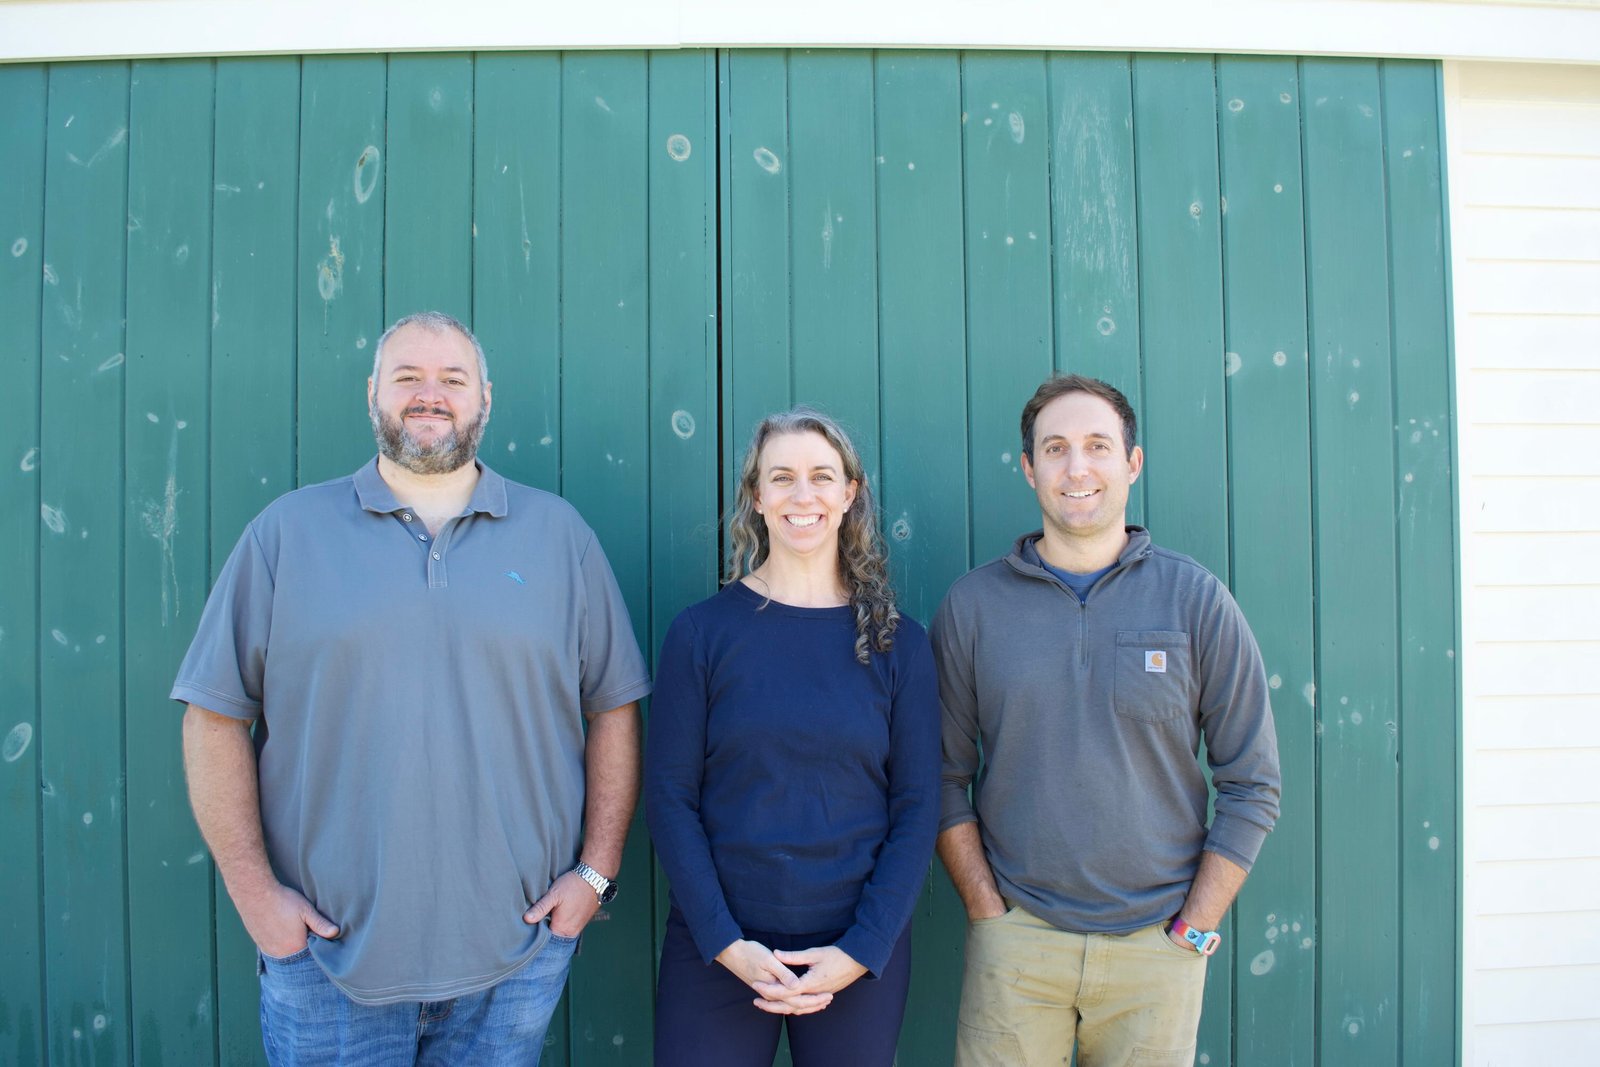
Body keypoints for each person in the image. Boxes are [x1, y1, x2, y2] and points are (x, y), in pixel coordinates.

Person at [172, 311, 651, 1066]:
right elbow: (212, 717)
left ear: (485, 398)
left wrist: (595, 872)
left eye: (452, 379)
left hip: (515, 960)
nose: (430, 395)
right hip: (327, 965)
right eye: (408, 377)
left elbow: (614, 707)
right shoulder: (286, 534)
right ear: (373, 394)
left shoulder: (560, 537)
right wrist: (256, 897)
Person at [933, 374, 1281, 1067]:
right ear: (1030, 468)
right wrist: (986, 909)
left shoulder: (1196, 600)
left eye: (1098, 445)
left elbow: (1253, 782)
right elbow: (940, 777)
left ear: (1133, 462)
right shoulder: (972, 607)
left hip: (1157, 951)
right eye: (1055, 448)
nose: (1077, 467)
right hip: (1018, 945)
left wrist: (1194, 928)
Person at [644, 408, 941, 1067]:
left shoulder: (900, 645)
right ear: (757, 495)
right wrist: (725, 942)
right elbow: (669, 796)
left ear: (848, 493)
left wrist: (862, 948)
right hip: (717, 945)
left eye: (820, 477)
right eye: (782, 477)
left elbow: (918, 807)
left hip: (855, 948)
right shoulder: (702, 635)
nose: (801, 496)